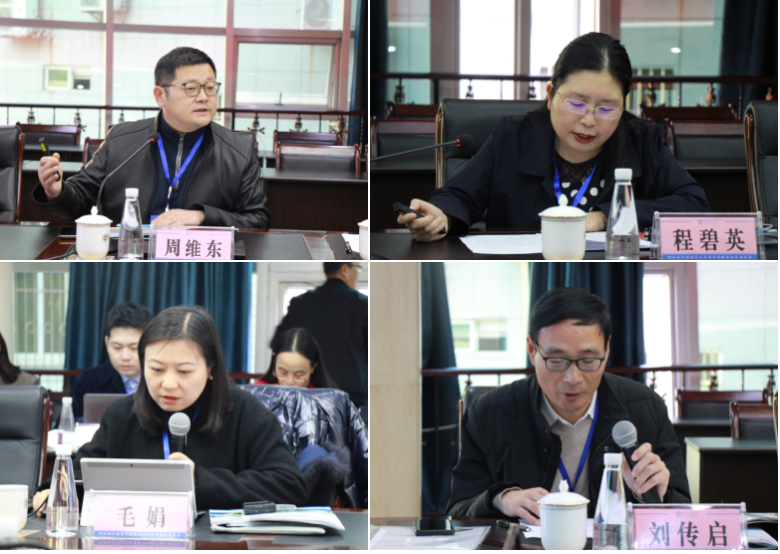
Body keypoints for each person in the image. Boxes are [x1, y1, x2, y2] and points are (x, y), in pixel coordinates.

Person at [399, 32, 710, 242]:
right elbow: (460, 195)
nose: (588, 120)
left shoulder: (642, 140)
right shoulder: (513, 136)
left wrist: (606, 217)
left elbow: (694, 205)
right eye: (576, 103)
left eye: (607, 108)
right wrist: (441, 218)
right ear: (550, 95)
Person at [447, 288, 690, 521]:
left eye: (588, 360)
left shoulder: (647, 409)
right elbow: (458, 512)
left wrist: (650, 494)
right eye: (556, 360)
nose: (572, 378)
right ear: (532, 350)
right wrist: (500, 500)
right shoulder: (487, 415)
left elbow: (682, 511)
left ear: (606, 350)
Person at [34, 305, 308, 512]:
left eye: (184, 371)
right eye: (156, 369)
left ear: (210, 369)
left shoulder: (243, 412)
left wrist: (198, 480)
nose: (167, 384)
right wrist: (54, 490)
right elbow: (78, 474)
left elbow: (290, 485)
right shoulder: (122, 415)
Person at [34, 47, 270, 229]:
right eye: (191, 88)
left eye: (210, 87)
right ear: (160, 95)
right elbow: (81, 199)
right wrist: (56, 191)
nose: (203, 97)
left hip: (197, 260)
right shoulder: (122, 139)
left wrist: (201, 217)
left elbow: (258, 220)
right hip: (129, 254)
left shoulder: (238, 151)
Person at [272, 263, 368, 407]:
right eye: (357, 269)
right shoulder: (363, 304)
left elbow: (278, 344)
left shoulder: (300, 303)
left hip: (307, 394)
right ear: (344, 269)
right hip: (351, 396)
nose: (357, 274)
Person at [70, 301, 153, 421]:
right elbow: (66, 424)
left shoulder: (161, 381)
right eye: (117, 347)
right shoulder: (90, 380)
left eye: (134, 348)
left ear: (148, 344)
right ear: (107, 343)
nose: (125, 357)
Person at [252, 328, 339, 389]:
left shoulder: (328, 398)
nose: (290, 382)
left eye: (298, 374)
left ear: (313, 367)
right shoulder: (256, 391)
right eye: (283, 372)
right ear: (275, 361)